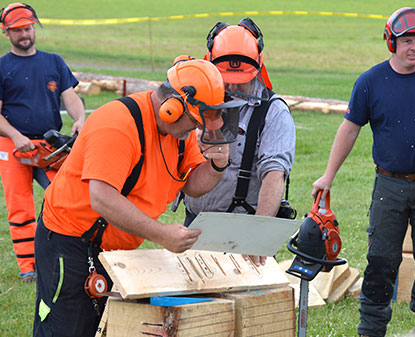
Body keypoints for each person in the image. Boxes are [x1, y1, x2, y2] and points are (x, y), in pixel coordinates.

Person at [33, 58, 244, 337]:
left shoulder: (178, 133)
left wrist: (217, 166)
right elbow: (103, 198)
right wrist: (162, 235)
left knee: (107, 326)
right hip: (71, 241)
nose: (194, 130)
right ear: (172, 108)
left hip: (116, 247)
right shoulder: (117, 125)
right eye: (193, 121)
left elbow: (191, 185)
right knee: (67, 327)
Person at [311, 8, 415, 337]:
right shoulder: (370, 83)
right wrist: (328, 176)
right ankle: (371, 329)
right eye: (407, 42)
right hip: (389, 186)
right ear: (391, 42)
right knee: (381, 260)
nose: (414, 48)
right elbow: (349, 129)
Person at [183, 17, 296, 266]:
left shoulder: (273, 112)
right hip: (194, 222)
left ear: (257, 68)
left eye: (241, 78)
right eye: (225, 76)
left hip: (243, 230)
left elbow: (274, 175)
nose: (232, 84)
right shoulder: (195, 100)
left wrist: (258, 236)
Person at [0, 3, 85, 283]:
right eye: (17, 30)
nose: (24, 34)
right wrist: (15, 136)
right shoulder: (2, 67)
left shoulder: (54, 62)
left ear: (33, 28)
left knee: (65, 197)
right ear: (6, 33)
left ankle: (65, 255)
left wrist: (80, 118)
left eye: (27, 28)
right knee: (20, 205)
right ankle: (28, 268)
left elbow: (69, 96)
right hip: (11, 146)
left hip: (51, 146)